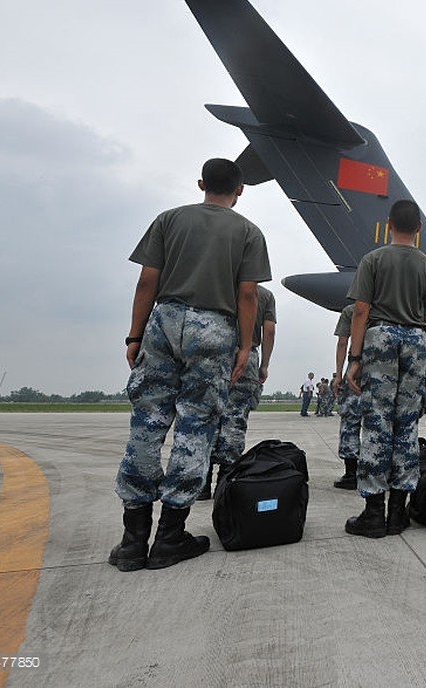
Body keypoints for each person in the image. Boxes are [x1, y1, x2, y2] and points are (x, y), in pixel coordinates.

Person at [110, 157, 271, 571]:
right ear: (240, 189)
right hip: (215, 329)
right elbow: (248, 295)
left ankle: (132, 541)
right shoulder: (248, 232)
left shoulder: (168, 220)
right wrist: (242, 347)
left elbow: (147, 280)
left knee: (147, 423)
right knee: (196, 426)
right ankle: (170, 536)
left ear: (201, 183)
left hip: (164, 320)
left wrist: (135, 334)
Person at [343, 199, 426, 538]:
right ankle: (398, 511)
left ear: (388, 224)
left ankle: (373, 513)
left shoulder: (373, 260)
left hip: (380, 337)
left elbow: (359, 310)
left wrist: (355, 359)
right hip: (415, 341)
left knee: (376, 423)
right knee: (407, 425)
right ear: (420, 228)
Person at [200, 284, 277, 500]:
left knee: (206, 416)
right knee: (235, 419)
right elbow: (269, 330)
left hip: (215, 353)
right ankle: (225, 482)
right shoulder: (264, 295)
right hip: (248, 356)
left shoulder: (220, 285)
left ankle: (201, 483)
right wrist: (264, 364)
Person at [332, 303, 363, 490]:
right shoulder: (384, 308)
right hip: (383, 370)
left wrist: (338, 375)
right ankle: (378, 471)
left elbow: (342, 342)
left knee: (350, 422)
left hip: (355, 370)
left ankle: (351, 473)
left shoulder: (350, 310)